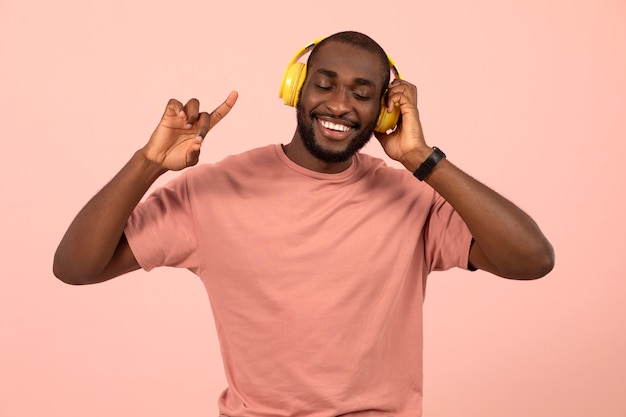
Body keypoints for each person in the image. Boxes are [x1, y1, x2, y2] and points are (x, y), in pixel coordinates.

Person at [53, 31, 554, 417]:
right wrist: (149, 163)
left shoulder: (412, 198)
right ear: (295, 88)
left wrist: (422, 157)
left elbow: (532, 259)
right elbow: (76, 267)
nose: (339, 104)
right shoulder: (212, 191)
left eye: (362, 93)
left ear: (384, 112)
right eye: (325, 83)